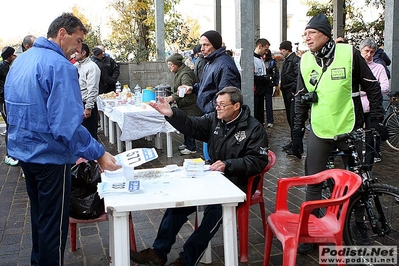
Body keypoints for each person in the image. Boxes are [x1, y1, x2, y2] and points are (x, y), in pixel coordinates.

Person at [4, 13, 121, 265]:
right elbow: (66, 125)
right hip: (51, 156)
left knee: (40, 216)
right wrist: (99, 153)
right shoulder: (60, 67)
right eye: (78, 40)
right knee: (54, 224)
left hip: (25, 151)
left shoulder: (21, 62)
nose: (79, 48)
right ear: (62, 34)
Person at [131, 86, 269, 266]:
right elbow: (192, 124)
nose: (217, 108)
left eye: (222, 105)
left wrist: (228, 165)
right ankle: (158, 252)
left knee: (215, 211)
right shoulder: (215, 119)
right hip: (212, 177)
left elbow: (259, 160)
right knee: (179, 204)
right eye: (216, 104)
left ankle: (187, 260)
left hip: (237, 183)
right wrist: (172, 114)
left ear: (236, 106)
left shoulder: (254, 128)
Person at [291, 14, 386, 254]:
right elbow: (301, 98)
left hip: (349, 127)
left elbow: (372, 86)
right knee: (313, 182)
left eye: (311, 32)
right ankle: (308, 233)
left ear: (325, 34)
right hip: (320, 130)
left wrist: (375, 120)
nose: (307, 37)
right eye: (305, 33)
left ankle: (359, 225)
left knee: (359, 180)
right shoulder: (305, 61)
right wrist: (296, 132)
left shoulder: (348, 53)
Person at [181, 30, 241, 114]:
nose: (202, 49)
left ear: (215, 45)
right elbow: (207, 86)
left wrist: (211, 110)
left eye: (206, 45)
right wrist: (193, 88)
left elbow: (227, 98)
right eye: (201, 45)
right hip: (209, 113)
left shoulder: (224, 66)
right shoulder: (210, 62)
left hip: (217, 115)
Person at [359, 38, 390, 163]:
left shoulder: (379, 68)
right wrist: (373, 89)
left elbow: (386, 87)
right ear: (361, 50)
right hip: (356, 107)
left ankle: (368, 165)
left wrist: (366, 91)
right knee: (354, 137)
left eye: (372, 52)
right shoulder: (355, 66)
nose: (368, 55)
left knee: (370, 139)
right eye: (366, 51)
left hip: (372, 108)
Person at [165, 53, 203, 155]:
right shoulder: (180, 72)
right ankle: (187, 144)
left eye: (171, 64)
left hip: (191, 105)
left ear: (177, 64)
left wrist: (171, 98)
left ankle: (191, 147)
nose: (169, 67)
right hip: (185, 105)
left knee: (189, 125)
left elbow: (185, 88)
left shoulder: (185, 74)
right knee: (186, 124)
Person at [74, 43, 101, 140]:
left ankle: (94, 155)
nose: (74, 54)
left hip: (86, 104)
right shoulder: (76, 65)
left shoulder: (92, 67)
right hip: (77, 104)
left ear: (84, 53)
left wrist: (88, 107)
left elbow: (92, 88)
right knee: (79, 136)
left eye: (76, 51)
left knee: (89, 136)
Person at [279, 40, 301, 153]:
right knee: (289, 117)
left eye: (282, 49)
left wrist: (293, 89)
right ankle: (293, 141)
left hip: (291, 92)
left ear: (287, 50)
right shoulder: (288, 60)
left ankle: (296, 144)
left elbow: (298, 76)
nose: (280, 52)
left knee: (293, 118)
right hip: (287, 91)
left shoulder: (295, 60)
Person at [0, 46, 18, 166]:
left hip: (8, 99)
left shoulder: (7, 66)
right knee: (10, 125)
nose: (15, 56)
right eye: (13, 55)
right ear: (9, 56)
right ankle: (9, 154)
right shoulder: (3, 68)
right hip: (4, 100)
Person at [253, 38, 271, 125]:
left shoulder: (260, 59)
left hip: (261, 91)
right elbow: (251, 77)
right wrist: (264, 78)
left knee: (260, 113)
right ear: (260, 47)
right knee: (255, 113)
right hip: (255, 91)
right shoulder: (252, 59)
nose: (266, 52)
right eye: (265, 49)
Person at [262, 49, 280, 128]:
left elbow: (275, 73)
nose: (264, 56)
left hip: (268, 85)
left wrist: (275, 84)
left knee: (268, 103)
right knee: (260, 104)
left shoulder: (271, 62)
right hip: (262, 84)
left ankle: (270, 120)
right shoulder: (259, 60)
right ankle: (262, 120)